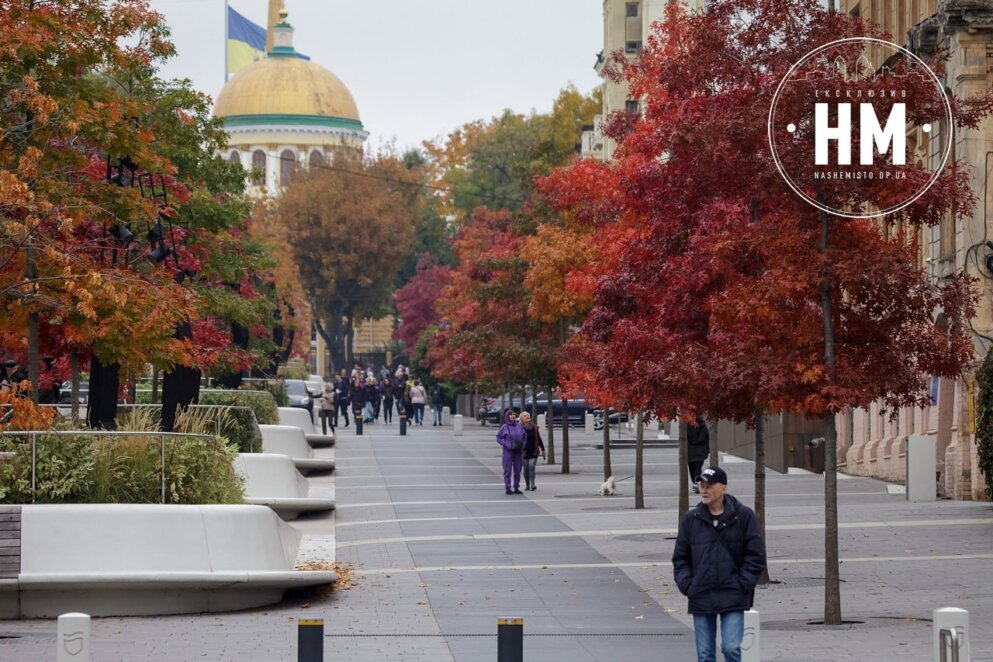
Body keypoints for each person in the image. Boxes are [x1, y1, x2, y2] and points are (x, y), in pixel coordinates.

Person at [672, 467, 766, 662]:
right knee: (705, 656)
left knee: (731, 648)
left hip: (733, 593)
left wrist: (743, 583)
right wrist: (688, 585)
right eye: (701, 485)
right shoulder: (691, 520)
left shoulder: (743, 516)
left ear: (723, 488)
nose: (704, 490)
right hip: (701, 594)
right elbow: (680, 558)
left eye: (709, 486)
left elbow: (755, 555)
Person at [496, 408, 526, 495]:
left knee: (518, 469)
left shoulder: (519, 426)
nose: (512, 416)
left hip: (518, 451)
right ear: (507, 416)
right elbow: (498, 437)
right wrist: (506, 444)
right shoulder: (504, 427)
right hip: (508, 451)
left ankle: (516, 487)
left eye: (513, 414)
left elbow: (525, 436)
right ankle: (508, 487)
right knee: (507, 470)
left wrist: (523, 445)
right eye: (510, 414)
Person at [519, 411, 544, 491]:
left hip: (534, 451)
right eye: (525, 416)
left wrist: (542, 449)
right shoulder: (519, 427)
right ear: (521, 419)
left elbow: (539, 439)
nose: (527, 417)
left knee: (531, 466)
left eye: (528, 415)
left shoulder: (534, 427)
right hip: (523, 452)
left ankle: (533, 484)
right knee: (526, 468)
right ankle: (527, 485)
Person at [687, 415, 710, 494]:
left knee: (692, 468)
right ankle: (696, 483)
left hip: (690, 451)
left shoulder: (687, 425)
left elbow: (685, 437)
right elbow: (707, 437)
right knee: (698, 468)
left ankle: (695, 483)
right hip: (701, 450)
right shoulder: (703, 425)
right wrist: (707, 450)